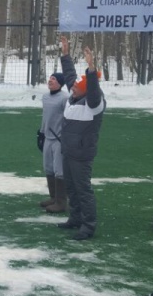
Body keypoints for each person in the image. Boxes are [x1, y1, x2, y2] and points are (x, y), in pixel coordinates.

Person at [56, 45, 105, 240]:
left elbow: (93, 90)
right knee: (71, 188)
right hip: (68, 151)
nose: (72, 88)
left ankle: (88, 226)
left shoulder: (94, 104)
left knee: (83, 190)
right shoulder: (75, 95)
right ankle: (75, 219)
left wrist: (91, 68)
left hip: (82, 155)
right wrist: (65, 55)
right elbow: (70, 76)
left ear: (85, 91)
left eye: (76, 87)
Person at [38, 37, 70, 213]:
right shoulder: (45, 97)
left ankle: (61, 202)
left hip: (59, 139)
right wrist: (41, 133)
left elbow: (68, 119)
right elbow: (45, 117)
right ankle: (53, 196)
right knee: (48, 167)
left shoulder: (65, 98)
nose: (50, 81)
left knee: (59, 170)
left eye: (53, 79)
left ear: (60, 83)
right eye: (49, 79)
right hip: (47, 138)